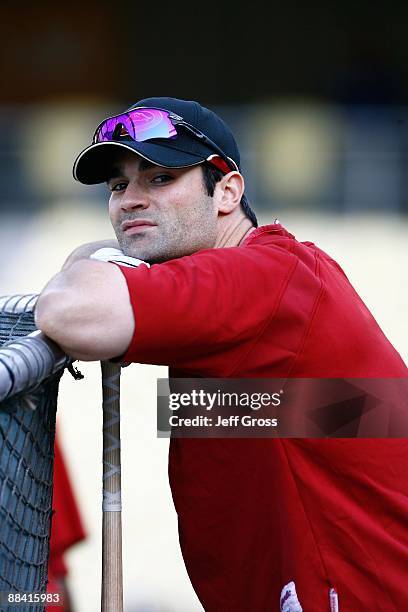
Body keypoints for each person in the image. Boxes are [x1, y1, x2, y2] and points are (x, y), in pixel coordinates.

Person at [34, 97, 408, 611]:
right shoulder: (282, 281)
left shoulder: (261, 278)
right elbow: (361, 412)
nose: (130, 201)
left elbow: (72, 310)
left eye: (160, 178)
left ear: (228, 190)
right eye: (119, 185)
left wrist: (97, 261)